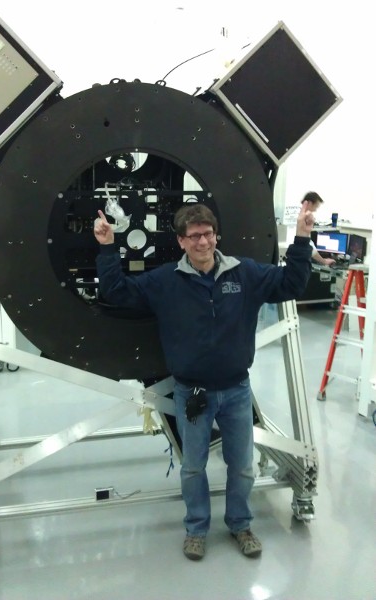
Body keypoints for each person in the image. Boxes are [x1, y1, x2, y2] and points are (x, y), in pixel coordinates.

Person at [94, 202, 314, 561]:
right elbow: (117, 292)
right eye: (194, 236)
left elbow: (292, 283)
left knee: (242, 466)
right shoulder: (165, 281)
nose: (203, 242)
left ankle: (240, 525)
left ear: (216, 236)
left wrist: (302, 237)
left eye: (208, 234)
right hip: (191, 393)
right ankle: (196, 530)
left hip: (237, 391)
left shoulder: (245, 273)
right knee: (193, 466)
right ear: (181, 241)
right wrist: (107, 246)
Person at [301, 191, 336, 266]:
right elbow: (310, 248)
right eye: (316, 207)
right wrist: (324, 261)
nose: (315, 210)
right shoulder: (303, 218)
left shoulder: (302, 216)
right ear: (310, 203)